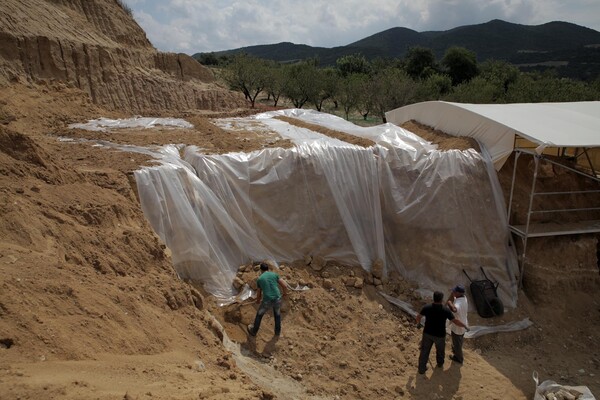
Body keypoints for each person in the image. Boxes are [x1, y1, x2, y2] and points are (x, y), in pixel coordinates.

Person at [416, 291, 469, 374]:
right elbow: (455, 321)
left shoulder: (427, 307)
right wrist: (465, 326)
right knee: (440, 351)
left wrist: (418, 324)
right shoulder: (445, 310)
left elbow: (418, 316)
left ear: (434, 298)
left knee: (424, 351)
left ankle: (421, 369)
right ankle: (440, 363)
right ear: (441, 299)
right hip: (440, 336)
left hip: (427, 334)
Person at [247, 263, 287, 337]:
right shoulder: (274, 274)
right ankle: (277, 333)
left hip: (267, 301)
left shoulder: (260, 279)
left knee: (259, 315)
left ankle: (254, 331)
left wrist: (258, 300)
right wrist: (284, 294)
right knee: (277, 315)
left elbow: (259, 293)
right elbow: (284, 285)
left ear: (261, 270)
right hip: (277, 298)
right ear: (268, 269)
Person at [446, 284, 469, 364]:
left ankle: (459, 358)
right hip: (463, 323)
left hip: (458, 327)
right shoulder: (464, 298)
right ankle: (456, 350)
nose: (453, 292)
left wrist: (449, 303)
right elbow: (455, 298)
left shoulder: (459, 303)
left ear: (459, 293)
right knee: (459, 341)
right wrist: (453, 295)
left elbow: (454, 309)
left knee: (457, 343)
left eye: (455, 291)